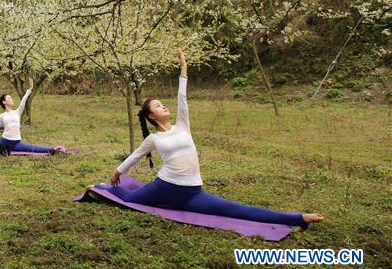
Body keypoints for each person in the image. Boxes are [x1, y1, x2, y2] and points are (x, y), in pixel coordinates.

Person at [99, 50, 323, 228]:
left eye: (162, 103)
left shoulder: (183, 125)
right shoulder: (155, 139)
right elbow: (136, 155)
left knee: (236, 209)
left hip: (192, 191)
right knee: (128, 198)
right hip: (164, 187)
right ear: (151, 116)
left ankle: (297, 218)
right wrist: (118, 172)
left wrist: (183, 69)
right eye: (158, 106)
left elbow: (182, 99)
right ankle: (101, 188)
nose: (163, 105)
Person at [0, 77, 66, 155]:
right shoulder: (2, 116)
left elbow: (23, 101)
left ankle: (52, 149)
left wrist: (29, 90)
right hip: (4, 141)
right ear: (4, 102)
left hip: (16, 142)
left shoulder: (17, 112)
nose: (12, 100)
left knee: (32, 148)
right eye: (9, 98)